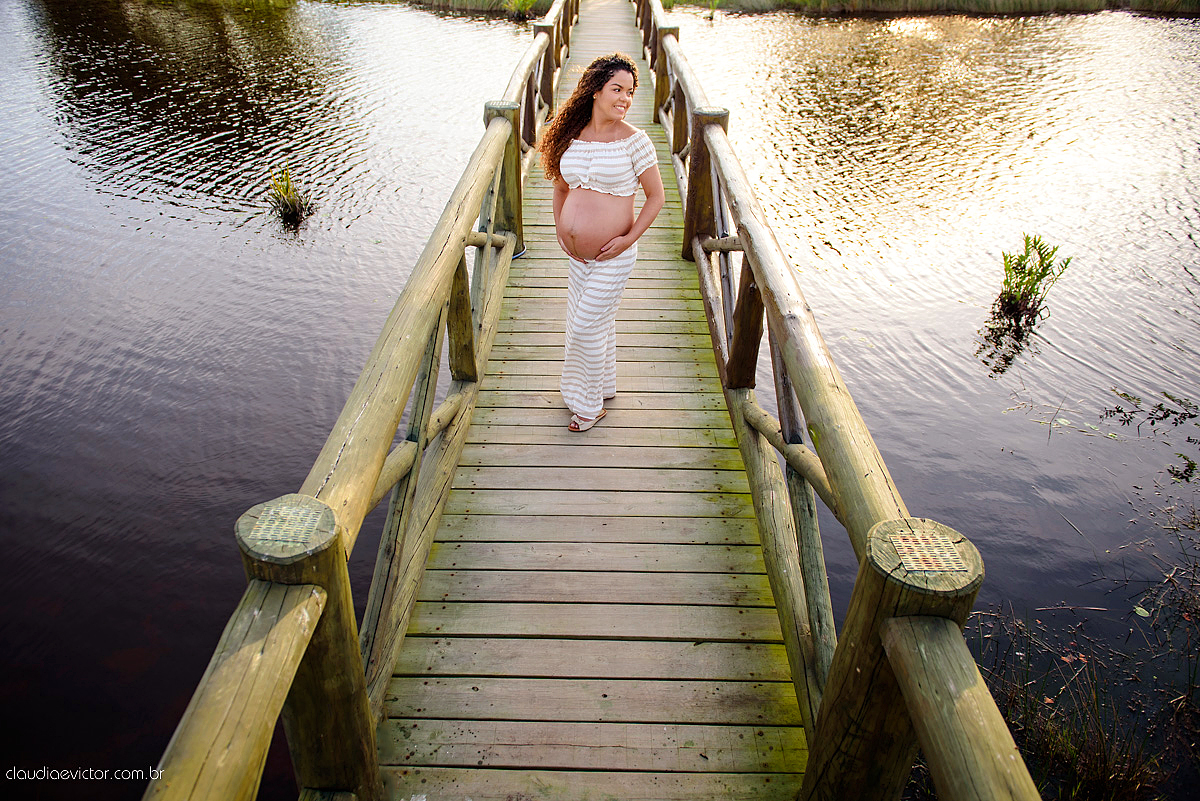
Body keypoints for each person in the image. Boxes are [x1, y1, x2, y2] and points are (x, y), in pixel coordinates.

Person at [538, 53, 665, 432]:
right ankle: (604, 386)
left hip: (614, 255)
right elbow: (561, 187)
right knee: (595, 322)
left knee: (585, 326)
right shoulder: (572, 136)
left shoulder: (635, 142)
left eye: (630, 92)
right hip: (578, 257)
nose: (625, 99)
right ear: (595, 90)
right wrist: (561, 227)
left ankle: (588, 406)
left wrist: (628, 239)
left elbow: (656, 197)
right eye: (617, 89)